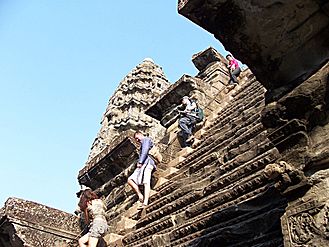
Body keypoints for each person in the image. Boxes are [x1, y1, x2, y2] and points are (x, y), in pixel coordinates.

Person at [127, 131, 156, 209]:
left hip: (148, 162)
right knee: (130, 179)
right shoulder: (143, 142)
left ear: (140, 134)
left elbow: (145, 150)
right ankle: (140, 195)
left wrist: (140, 161)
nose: (137, 140)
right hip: (143, 164)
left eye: (137, 138)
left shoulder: (146, 139)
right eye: (135, 139)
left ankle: (145, 202)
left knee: (146, 182)